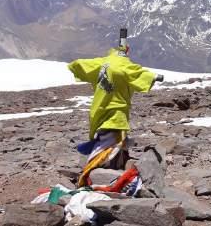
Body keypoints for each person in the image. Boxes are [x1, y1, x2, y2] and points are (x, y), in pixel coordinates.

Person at [68, 33, 163, 186]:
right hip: (116, 114)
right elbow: (141, 74)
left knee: (106, 140)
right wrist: (155, 77)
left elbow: (78, 65)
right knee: (110, 145)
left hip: (99, 110)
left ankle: (111, 172)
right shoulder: (125, 65)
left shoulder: (102, 63)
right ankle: (97, 177)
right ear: (128, 51)